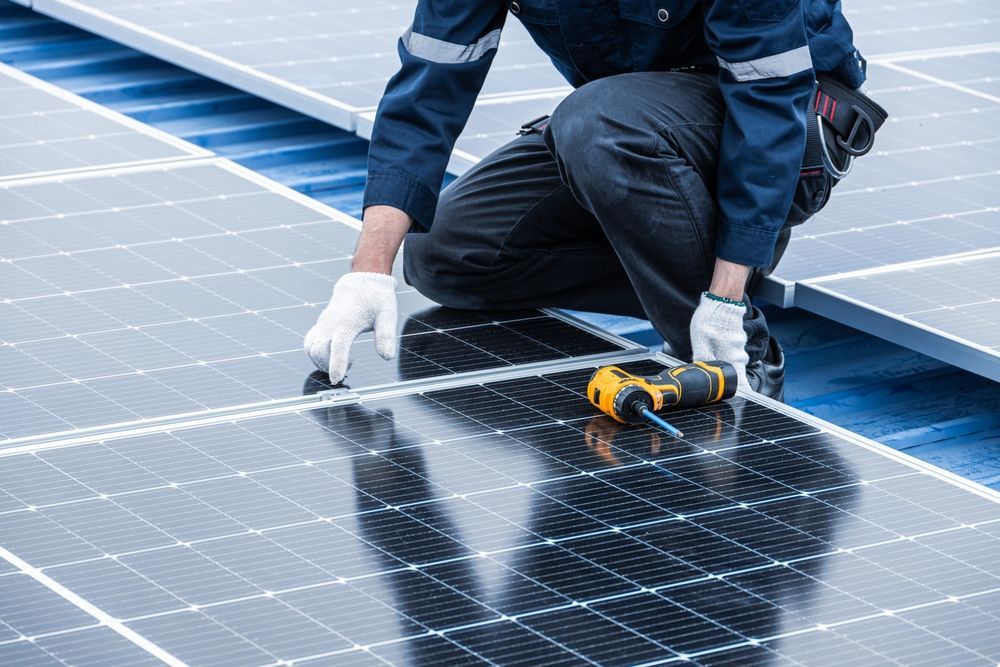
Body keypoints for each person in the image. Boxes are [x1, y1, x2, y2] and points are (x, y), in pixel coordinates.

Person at [305, 0, 876, 399]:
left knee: (594, 122)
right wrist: (366, 274)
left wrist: (724, 297)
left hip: (779, 136)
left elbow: (767, 100)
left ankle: (734, 352)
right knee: (445, 254)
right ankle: (684, 260)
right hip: (627, 131)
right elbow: (429, 86)